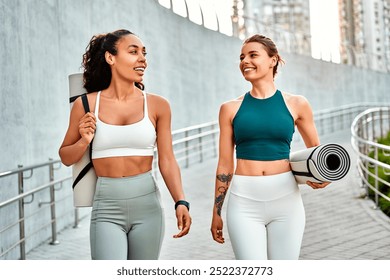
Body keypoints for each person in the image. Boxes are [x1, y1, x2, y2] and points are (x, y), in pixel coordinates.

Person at [59, 29, 191, 260]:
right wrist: (84, 140)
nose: (142, 59)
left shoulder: (158, 105)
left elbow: (168, 160)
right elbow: (66, 156)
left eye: (144, 53)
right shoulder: (86, 104)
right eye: (133, 52)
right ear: (111, 58)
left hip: (148, 206)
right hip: (106, 208)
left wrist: (181, 201)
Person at [210, 34, 330, 260]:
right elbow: (225, 164)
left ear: (273, 60)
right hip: (243, 201)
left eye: (253, 55)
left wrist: (322, 177)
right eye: (242, 57)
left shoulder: (297, 104)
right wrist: (216, 212)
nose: (245, 61)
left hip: (286, 200)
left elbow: (317, 151)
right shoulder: (229, 109)